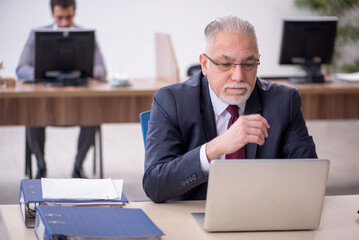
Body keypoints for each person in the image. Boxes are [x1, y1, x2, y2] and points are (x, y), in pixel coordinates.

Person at [143, 16, 317, 203]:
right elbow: (155, 184)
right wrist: (214, 149)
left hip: (263, 214)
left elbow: (309, 178)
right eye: (226, 64)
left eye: (249, 64)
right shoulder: (172, 101)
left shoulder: (284, 101)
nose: (238, 76)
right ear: (204, 64)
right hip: (194, 216)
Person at [16, 0, 106, 179]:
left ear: (74, 13)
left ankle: (78, 167)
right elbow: (21, 68)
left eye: (69, 17)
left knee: (93, 116)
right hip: (46, 98)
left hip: (78, 97)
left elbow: (101, 69)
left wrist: (82, 70)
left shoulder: (87, 36)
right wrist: (44, 71)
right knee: (33, 116)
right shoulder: (36, 35)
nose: (65, 22)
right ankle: (41, 167)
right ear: (52, 14)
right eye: (60, 17)